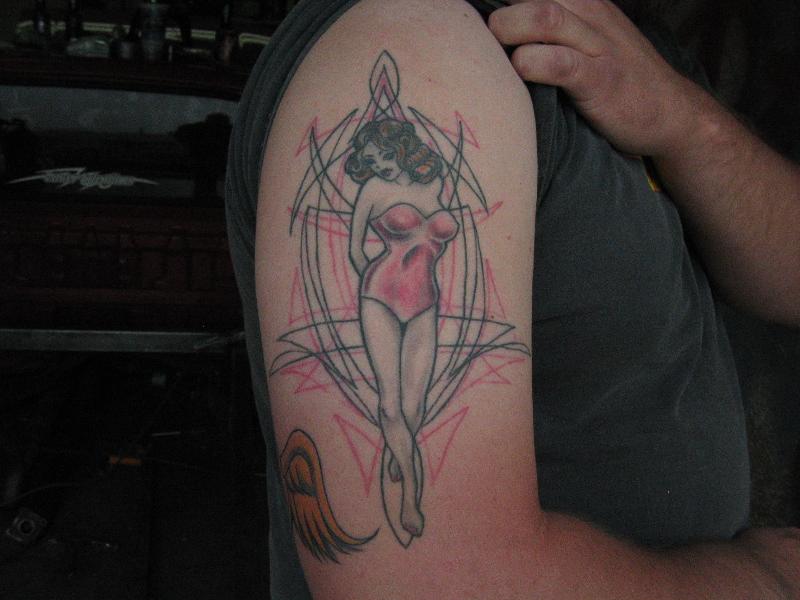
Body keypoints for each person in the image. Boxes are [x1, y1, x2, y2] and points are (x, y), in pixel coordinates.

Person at [224, 0, 800, 598]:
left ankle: (404, 487)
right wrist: (768, 579)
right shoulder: (420, 42)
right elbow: (429, 586)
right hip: (381, 299)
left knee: (406, 410)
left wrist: (690, 125)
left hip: (424, 305)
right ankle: (403, 499)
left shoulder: (623, 46)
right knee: (393, 410)